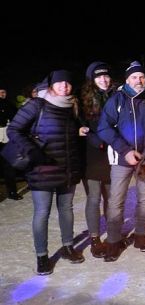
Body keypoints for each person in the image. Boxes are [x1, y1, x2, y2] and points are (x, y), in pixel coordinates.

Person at [7, 70, 85, 275]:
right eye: (60, 83)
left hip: (67, 168)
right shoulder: (37, 104)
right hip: (42, 168)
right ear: (51, 85)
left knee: (66, 209)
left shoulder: (71, 106)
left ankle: (68, 247)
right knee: (42, 213)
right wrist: (32, 151)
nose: (64, 86)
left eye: (68, 83)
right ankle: (42, 256)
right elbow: (14, 130)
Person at [97, 61, 145, 262]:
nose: (138, 80)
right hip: (122, 159)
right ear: (127, 80)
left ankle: (141, 236)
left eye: (141, 77)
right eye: (134, 77)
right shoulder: (117, 99)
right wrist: (126, 151)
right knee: (116, 200)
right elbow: (104, 128)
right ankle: (113, 241)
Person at [79, 61, 115, 258]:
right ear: (92, 80)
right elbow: (79, 124)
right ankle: (94, 238)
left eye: (106, 75)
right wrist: (89, 134)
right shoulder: (82, 99)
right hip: (92, 154)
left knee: (111, 198)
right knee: (94, 198)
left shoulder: (116, 95)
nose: (103, 79)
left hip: (112, 153)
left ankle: (112, 234)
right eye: (98, 76)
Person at [0, 85, 22, 200]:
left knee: (8, 165)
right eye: (0, 92)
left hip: (7, 136)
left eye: (3, 92)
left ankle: (12, 192)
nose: (2, 94)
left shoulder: (10, 105)